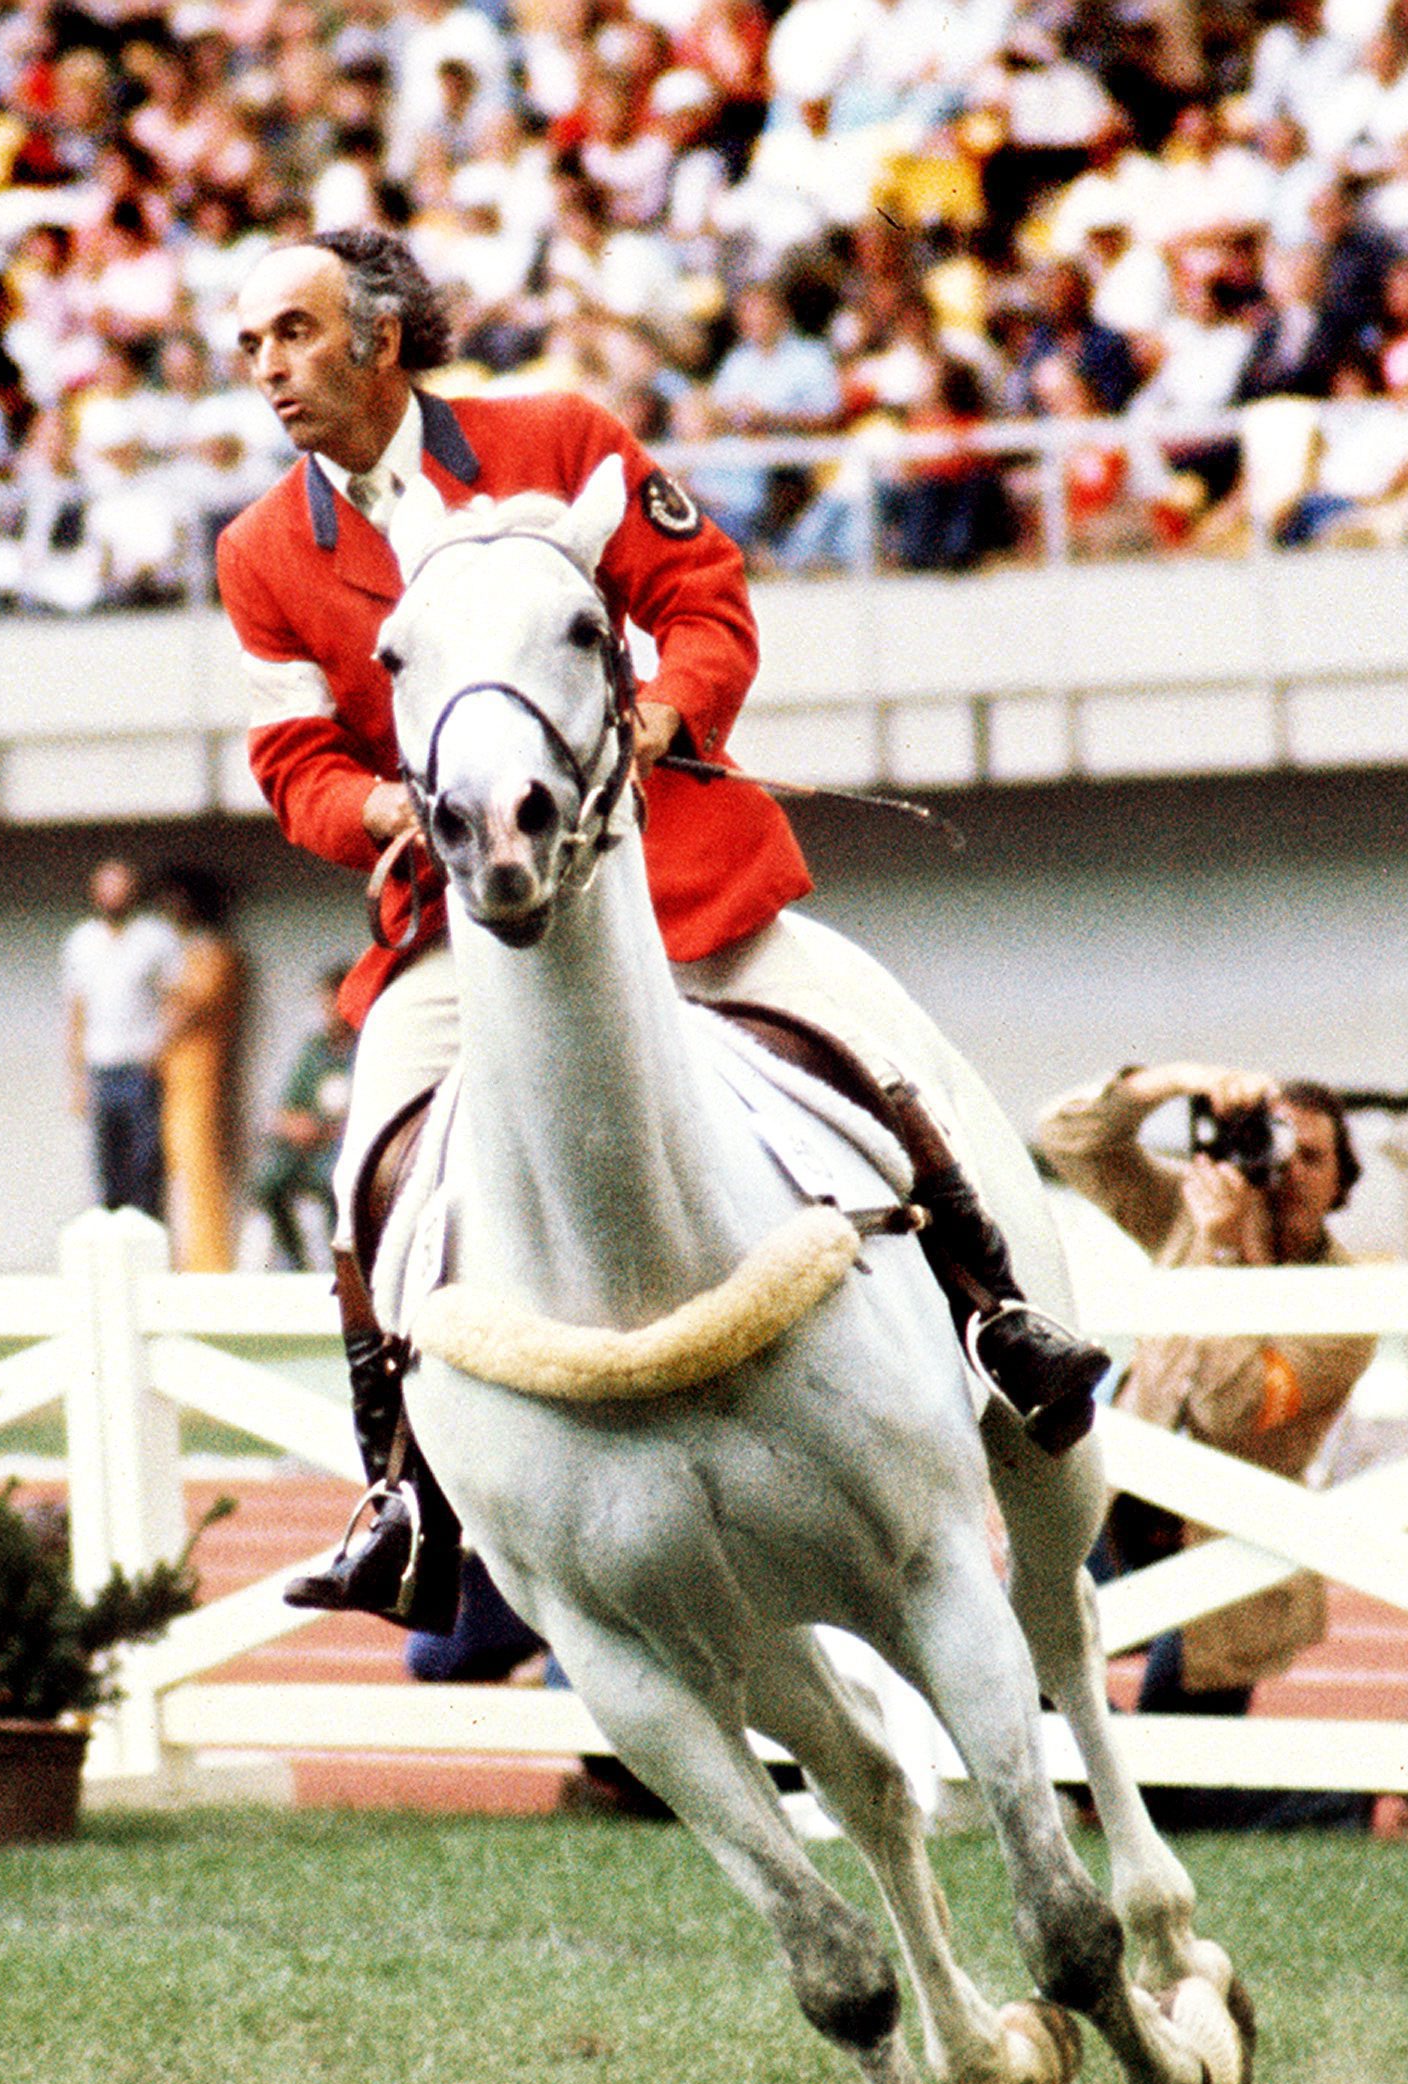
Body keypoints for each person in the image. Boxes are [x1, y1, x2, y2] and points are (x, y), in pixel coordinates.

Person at [215, 228, 1107, 1630]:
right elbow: (291, 765)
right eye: (248, 345)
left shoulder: (559, 434)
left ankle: (1002, 1315)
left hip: (675, 873)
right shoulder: (262, 552)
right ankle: (397, 1486)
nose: (264, 367)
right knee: (361, 1163)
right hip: (466, 917)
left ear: (379, 337)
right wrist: (398, 811)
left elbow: (704, 602)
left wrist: (654, 719)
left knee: (875, 1055)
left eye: (290, 333)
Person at [1034, 1063, 1396, 1833]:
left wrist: (1225, 1255)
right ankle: (1096, 1773)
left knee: (1169, 1799)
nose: (1287, 1174)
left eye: (1312, 1159)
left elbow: (1233, 1411)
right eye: (1272, 1148)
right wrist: (1183, 1078)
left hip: (1235, 1561)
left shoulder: (1347, 1300)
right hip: (1118, 1519)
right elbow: (1065, 1138)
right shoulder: (1184, 1211)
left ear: (1343, 1181)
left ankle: (1348, 1801)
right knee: (1017, 1630)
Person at [60, 860, 179, 1224]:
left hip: (140, 1068)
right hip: (101, 1068)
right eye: (106, 888)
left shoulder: (155, 937)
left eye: (121, 887)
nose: (114, 895)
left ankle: (150, 1252)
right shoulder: (82, 941)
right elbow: (76, 1013)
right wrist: (77, 1080)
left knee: (146, 1164)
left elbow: (177, 998)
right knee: (106, 1169)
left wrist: (158, 1051)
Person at [152, 863, 251, 1272]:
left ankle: (210, 1264)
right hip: (179, 1078)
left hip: (202, 1076)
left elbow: (191, 1009)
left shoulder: (214, 953)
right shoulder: (190, 952)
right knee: (181, 1172)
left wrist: (155, 1040)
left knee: (202, 1168)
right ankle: (187, 1259)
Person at [255, 960, 358, 1274]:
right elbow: (286, 1108)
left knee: (333, 1182)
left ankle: (342, 1269)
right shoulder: (313, 1050)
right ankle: (296, 1263)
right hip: (307, 1147)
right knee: (269, 1183)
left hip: (344, 1146)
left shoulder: (366, 1047)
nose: (331, 1010)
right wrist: (294, 1125)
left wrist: (327, 1130)